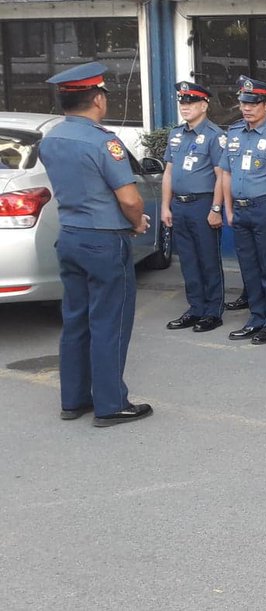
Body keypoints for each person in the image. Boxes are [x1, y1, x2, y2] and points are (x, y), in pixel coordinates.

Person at [41, 62, 154, 426]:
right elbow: (130, 199)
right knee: (110, 321)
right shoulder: (104, 141)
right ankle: (110, 404)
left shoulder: (51, 139)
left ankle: (73, 400)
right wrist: (137, 224)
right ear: (98, 99)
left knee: (76, 320)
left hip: (70, 235)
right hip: (104, 241)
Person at [219, 75, 266, 344]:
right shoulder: (234, 133)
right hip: (240, 210)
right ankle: (256, 317)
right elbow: (225, 173)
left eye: (253, 103)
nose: (247, 108)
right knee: (249, 267)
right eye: (243, 103)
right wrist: (227, 208)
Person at [162, 81, 227, 334]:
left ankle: (213, 311)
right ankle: (195, 308)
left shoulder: (214, 136)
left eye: (190, 103)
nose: (185, 107)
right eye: (182, 102)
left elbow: (221, 175)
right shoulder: (176, 134)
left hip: (203, 204)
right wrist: (166, 207)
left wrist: (216, 207)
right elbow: (168, 173)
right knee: (188, 260)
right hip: (180, 205)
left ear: (204, 105)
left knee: (208, 259)